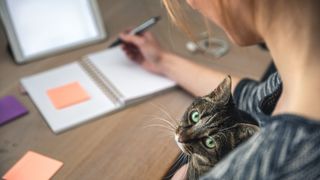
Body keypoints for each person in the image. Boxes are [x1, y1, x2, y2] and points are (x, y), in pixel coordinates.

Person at [120, 0, 320, 179]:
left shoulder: (271, 168)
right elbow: (250, 99)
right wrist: (164, 61)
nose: (191, 3)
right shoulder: (293, 77)